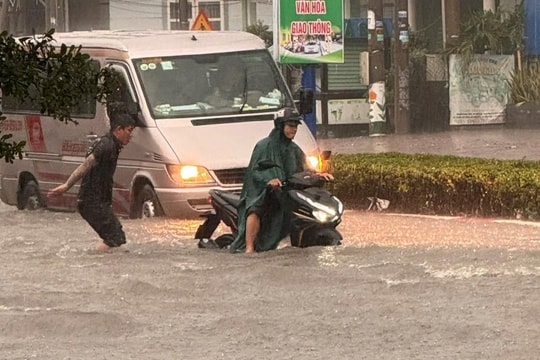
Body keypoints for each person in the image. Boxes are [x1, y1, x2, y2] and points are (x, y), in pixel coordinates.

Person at [229, 109, 333, 254]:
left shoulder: (294, 148)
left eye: (295, 126)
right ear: (280, 126)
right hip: (261, 191)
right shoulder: (264, 146)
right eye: (290, 126)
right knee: (255, 209)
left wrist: (319, 175)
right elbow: (255, 172)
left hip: (284, 191)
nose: (294, 130)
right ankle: (249, 247)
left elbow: (305, 169)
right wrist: (268, 180)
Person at [47, 113, 137, 252]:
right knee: (115, 237)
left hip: (96, 201)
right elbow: (86, 164)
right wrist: (66, 186)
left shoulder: (112, 144)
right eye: (129, 131)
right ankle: (96, 261)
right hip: (92, 202)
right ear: (118, 129)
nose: (131, 136)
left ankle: (102, 263)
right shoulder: (106, 145)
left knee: (115, 236)